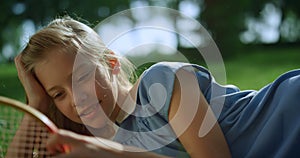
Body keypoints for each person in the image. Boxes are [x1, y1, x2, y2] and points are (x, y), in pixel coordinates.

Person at [15, 16, 300, 158]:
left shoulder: (161, 82)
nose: (76, 99)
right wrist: (35, 104)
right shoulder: (116, 144)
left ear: (111, 63)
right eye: (58, 94)